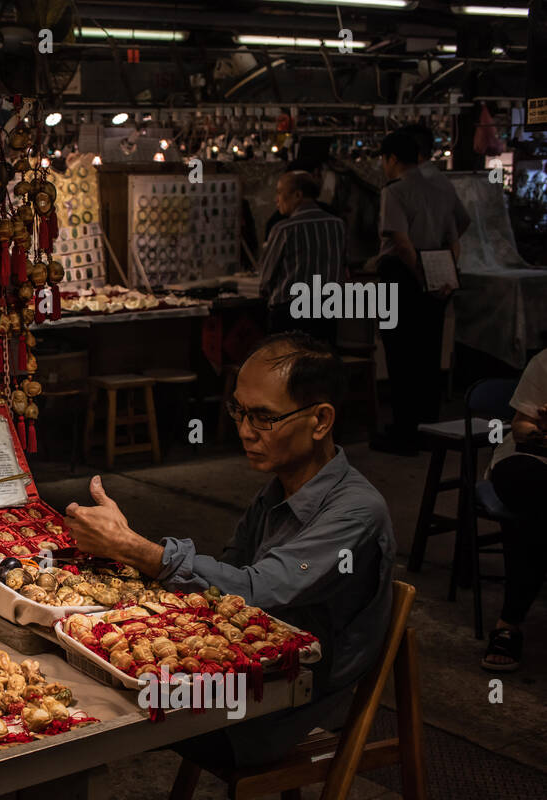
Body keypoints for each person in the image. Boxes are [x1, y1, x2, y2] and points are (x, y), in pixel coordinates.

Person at [65, 333, 396, 766]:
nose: (244, 431)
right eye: (238, 411)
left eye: (263, 417)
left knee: (88, 720)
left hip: (280, 704)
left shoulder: (356, 512)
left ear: (320, 421)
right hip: (243, 664)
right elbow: (223, 584)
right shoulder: (278, 488)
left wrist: (135, 548)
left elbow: (254, 592)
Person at [371, 129, 467, 456]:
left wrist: (421, 276)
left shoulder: (395, 191)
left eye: (384, 160)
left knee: (400, 356)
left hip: (403, 276)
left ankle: (404, 434)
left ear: (392, 159)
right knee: (428, 355)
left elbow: (400, 240)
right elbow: (457, 232)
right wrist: (446, 275)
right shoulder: (439, 187)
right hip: (439, 274)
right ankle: (430, 428)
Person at [482, 349, 547, 671]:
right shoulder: (545, 362)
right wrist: (540, 431)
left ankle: (508, 623)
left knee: (533, 520)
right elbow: (521, 426)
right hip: (532, 460)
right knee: (525, 481)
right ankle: (510, 620)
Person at [258, 171, 347, 337]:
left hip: (289, 313)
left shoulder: (284, 229)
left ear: (298, 195)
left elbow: (266, 278)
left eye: (279, 193)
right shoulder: (337, 225)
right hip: (327, 309)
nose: (276, 200)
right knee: (321, 359)